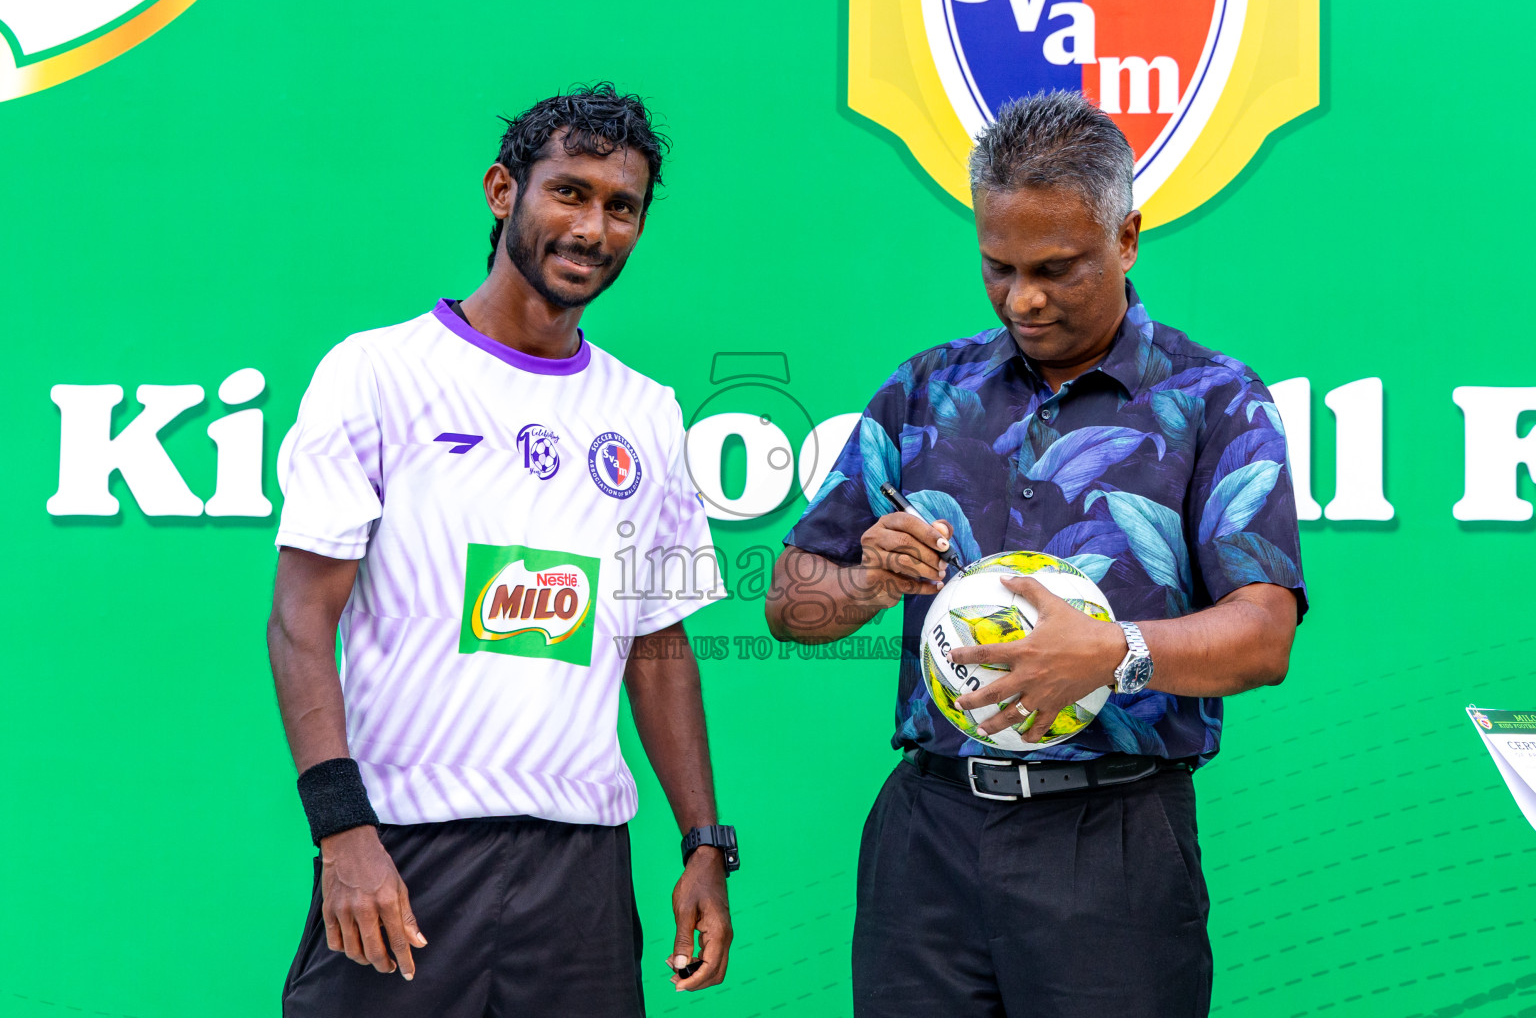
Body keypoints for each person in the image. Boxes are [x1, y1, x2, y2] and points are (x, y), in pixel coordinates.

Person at [766, 91, 1306, 1018]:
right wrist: (866, 581)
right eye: (998, 267)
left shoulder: (1217, 401)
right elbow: (790, 600)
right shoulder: (924, 390)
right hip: (927, 841)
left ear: (1127, 238)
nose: (1024, 298)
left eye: (1058, 268)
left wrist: (1114, 653)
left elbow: (1263, 635)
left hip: (1116, 842)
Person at [269, 83, 735, 1018]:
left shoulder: (646, 411)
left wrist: (704, 844)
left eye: (621, 207)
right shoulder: (377, 371)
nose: (593, 228)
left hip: (581, 871)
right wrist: (341, 833)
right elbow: (298, 619)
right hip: (405, 847)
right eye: (568, 192)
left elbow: (659, 645)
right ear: (501, 191)